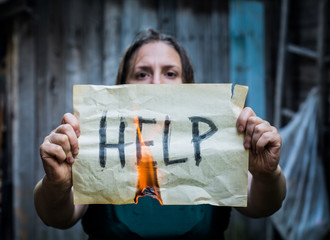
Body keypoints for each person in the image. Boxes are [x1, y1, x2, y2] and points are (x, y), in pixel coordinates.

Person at [34, 29, 286, 239]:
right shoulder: (95, 144)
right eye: (142, 74)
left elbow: (261, 206)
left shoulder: (214, 141)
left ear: (187, 86)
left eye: (170, 73)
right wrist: (57, 183)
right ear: (123, 86)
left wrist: (267, 174)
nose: (156, 83)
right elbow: (58, 217)